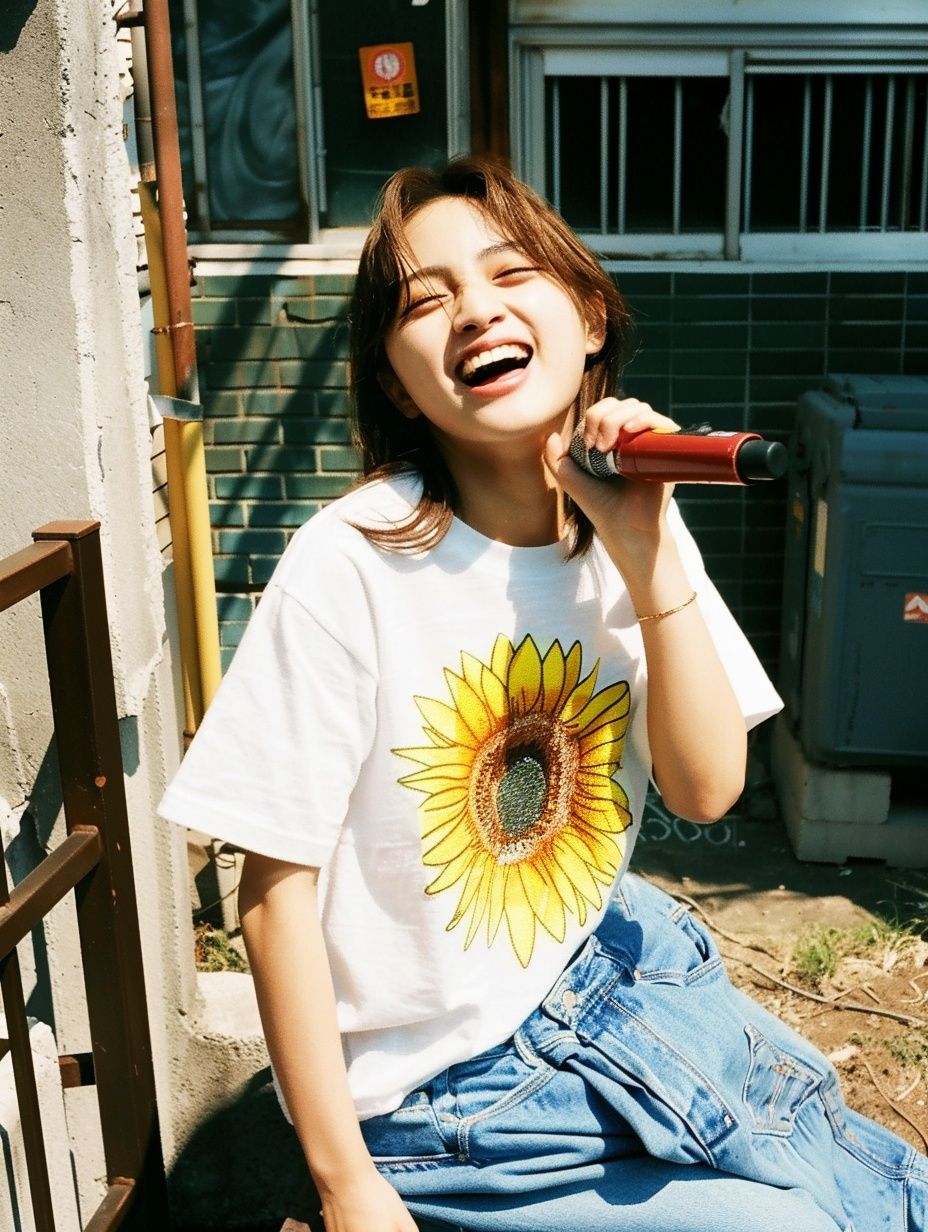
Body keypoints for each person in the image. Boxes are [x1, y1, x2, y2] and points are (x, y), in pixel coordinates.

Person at [159, 157, 927, 1232]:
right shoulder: (352, 561)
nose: (474, 309)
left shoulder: (634, 518)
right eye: (425, 300)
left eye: (509, 271)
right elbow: (271, 888)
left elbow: (706, 788)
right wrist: (344, 1184)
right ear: (394, 377)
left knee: (880, 1188)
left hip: (613, 974)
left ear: (591, 316)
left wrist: (646, 549)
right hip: (445, 1092)